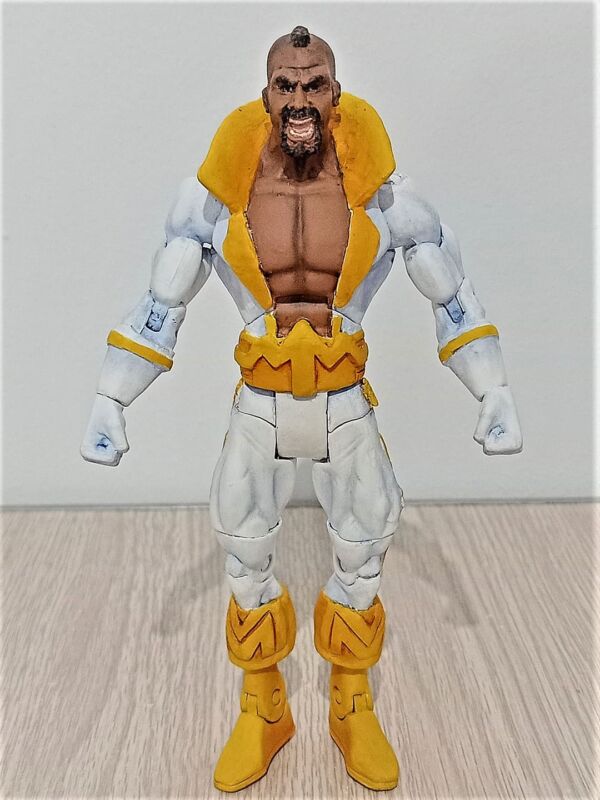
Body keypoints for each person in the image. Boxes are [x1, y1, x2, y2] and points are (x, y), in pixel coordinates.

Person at [81, 25, 522, 793]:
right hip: (260, 397)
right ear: (267, 93)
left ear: (333, 93)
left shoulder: (381, 189)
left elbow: (449, 288)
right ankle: (265, 706)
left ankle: (351, 702)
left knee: (363, 548)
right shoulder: (217, 193)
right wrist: (112, 398)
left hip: (343, 395)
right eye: (285, 86)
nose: (298, 100)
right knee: (244, 552)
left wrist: (491, 388)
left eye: (312, 85)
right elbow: (162, 300)